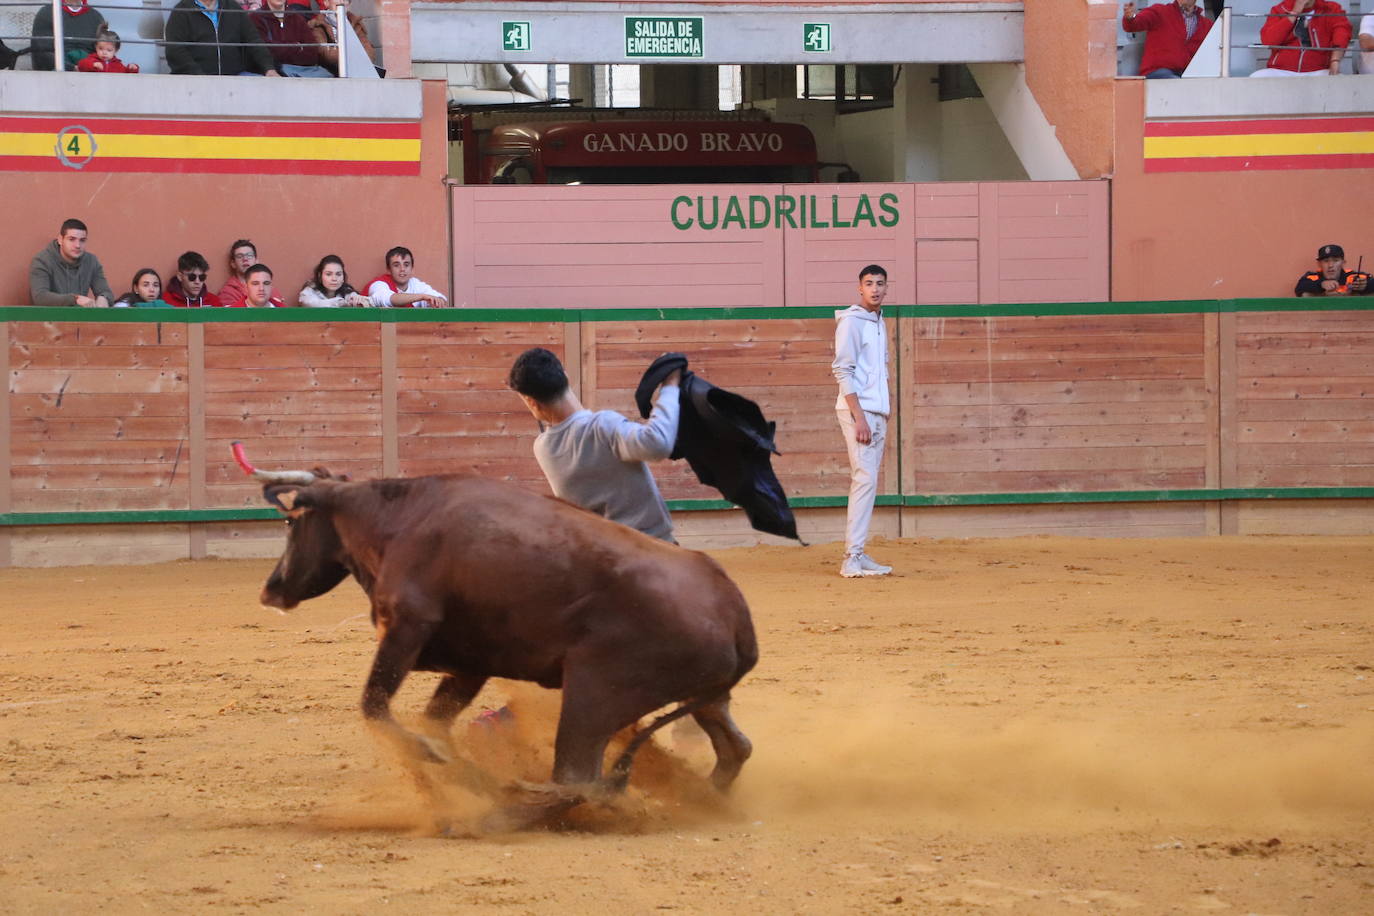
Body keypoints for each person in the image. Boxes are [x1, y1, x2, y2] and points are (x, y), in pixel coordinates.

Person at [508, 347, 681, 543]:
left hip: (604, 558)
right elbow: (658, 443)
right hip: (652, 549)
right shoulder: (602, 427)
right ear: (565, 375)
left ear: (531, 402)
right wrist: (671, 384)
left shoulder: (542, 448)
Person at [832, 264, 893, 579]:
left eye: (880, 283)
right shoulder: (853, 322)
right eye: (869, 283)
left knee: (867, 482)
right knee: (864, 480)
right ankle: (851, 558)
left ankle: (858, 551)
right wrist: (860, 418)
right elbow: (842, 369)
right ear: (860, 288)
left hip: (875, 411)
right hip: (860, 413)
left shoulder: (879, 322)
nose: (875, 289)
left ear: (886, 288)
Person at [164, 0, 281, 76]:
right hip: (193, 78)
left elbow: (253, 40)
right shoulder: (181, 11)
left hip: (234, 75)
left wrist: (268, 68)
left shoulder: (233, 7)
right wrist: (198, 75)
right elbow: (175, 50)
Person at [1251, 0, 1352, 76]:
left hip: (1318, 70)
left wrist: (1335, 60)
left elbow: (1342, 34)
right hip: (1282, 70)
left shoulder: (1331, 9)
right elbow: (1268, 40)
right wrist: (1294, 13)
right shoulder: (1279, 9)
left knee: (1340, 81)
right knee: (1256, 77)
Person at [29, 218, 114, 308]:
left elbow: (106, 292)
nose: (78, 245)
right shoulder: (42, 261)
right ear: (60, 240)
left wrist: (104, 298)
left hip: (80, 319)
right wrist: (75, 299)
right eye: (72, 239)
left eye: (82, 240)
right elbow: (40, 297)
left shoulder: (91, 261)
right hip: (49, 319)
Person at [1122, 0, 1212, 78]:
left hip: (1187, 76)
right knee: (1179, 85)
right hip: (1157, 72)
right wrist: (1131, 17)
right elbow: (1135, 24)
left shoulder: (1207, 24)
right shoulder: (1160, 11)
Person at [251, 0, 331, 78]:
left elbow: (312, 53)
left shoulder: (297, 18)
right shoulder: (255, 18)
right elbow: (264, 51)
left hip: (302, 72)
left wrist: (281, 49)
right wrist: (298, 47)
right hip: (275, 73)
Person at [30, 0, 106, 71]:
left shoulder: (96, 17)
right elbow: (41, 51)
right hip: (56, 74)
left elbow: (105, 50)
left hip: (90, 73)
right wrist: (73, 68)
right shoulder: (47, 12)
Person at [308, 0, 378, 76]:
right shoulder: (317, 24)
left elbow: (369, 53)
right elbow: (326, 54)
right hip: (329, 73)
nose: (342, 2)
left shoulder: (355, 23)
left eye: (346, 0)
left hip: (355, 72)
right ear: (326, 3)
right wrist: (355, 56)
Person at [367, 247, 448, 308]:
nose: (402, 269)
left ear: (412, 268)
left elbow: (440, 299)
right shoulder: (378, 284)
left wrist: (438, 301)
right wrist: (422, 297)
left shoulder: (415, 283)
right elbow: (389, 299)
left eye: (406, 265)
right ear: (388, 269)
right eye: (396, 265)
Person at [1295, 244, 1371, 297]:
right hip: (1320, 317)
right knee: (1306, 294)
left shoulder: (1353, 276)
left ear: (1343, 263)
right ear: (1319, 264)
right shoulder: (1313, 277)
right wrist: (1321, 285)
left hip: (1353, 315)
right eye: (1326, 261)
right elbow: (1299, 288)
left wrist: (1365, 286)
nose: (1330, 265)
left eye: (1335, 260)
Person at [298, 255, 371, 307]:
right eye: (328, 274)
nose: (334, 279)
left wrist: (360, 300)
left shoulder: (347, 292)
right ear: (320, 276)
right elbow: (311, 304)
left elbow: (367, 302)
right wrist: (340, 302)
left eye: (338, 274)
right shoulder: (309, 292)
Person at [75, 28, 139, 73]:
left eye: (109, 50)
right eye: (100, 48)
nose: (104, 52)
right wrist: (92, 65)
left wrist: (132, 68)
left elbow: (126, 72)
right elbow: (81, 65)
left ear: (116, 50)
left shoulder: (118, 64)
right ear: (96, 47)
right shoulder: (92, 59)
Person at [217, 239, 259, 306]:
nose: (245, 259)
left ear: (256, 260)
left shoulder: (267, 287)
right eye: (240, 256)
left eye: (249, 255)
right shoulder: (227, 292)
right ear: (233, 263)